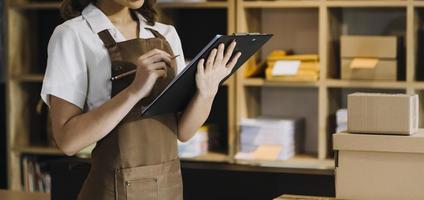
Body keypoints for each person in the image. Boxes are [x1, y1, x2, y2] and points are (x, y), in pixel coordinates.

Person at [40, 0, 241, 199]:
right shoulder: (72, 35)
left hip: (169, 188)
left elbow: (183, 131)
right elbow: (68, 141)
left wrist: (207, 92)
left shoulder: (166, 34)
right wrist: (134, 91)